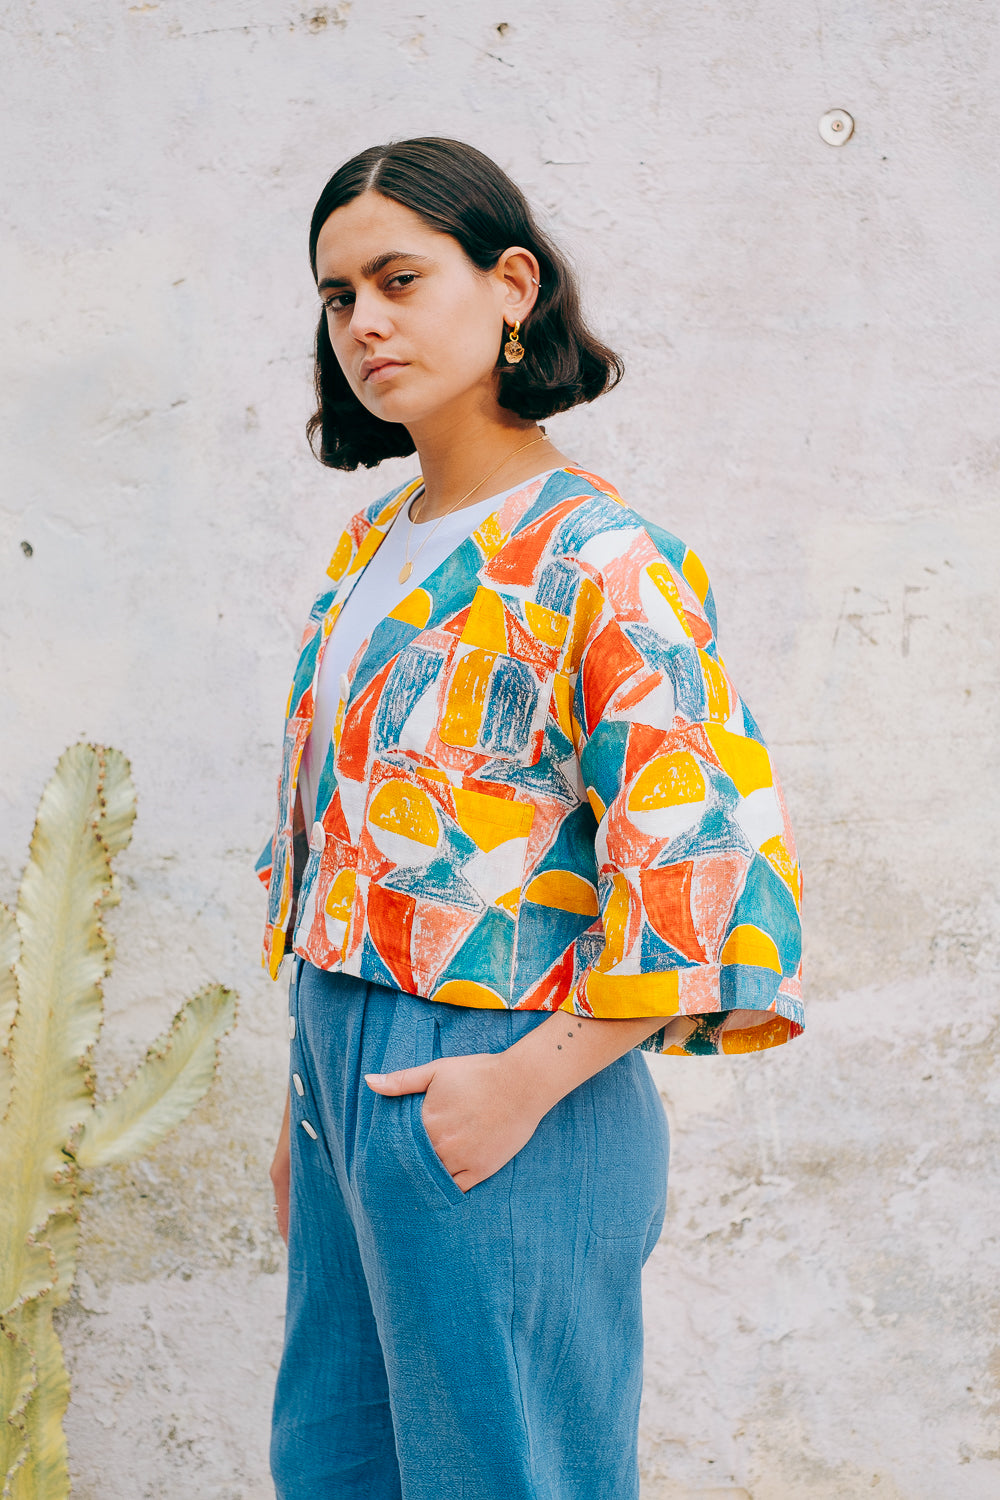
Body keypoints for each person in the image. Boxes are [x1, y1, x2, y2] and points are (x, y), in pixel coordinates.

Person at [258, 137, 803, 1500]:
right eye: (337, 298)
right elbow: (345, 839)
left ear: (511, 285)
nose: (366, 323)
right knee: (334, 1466)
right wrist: (304, 1103)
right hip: (342, 1058)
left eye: (399, 277)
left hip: (506, 1064)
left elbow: (702, 860)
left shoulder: (603, 558)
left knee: (511, 1475)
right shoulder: (370, 549)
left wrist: (526, 1081)